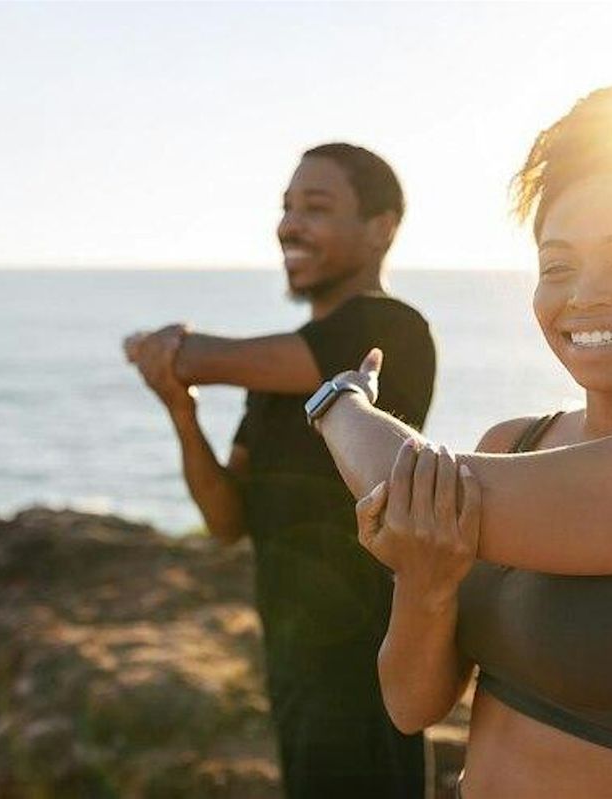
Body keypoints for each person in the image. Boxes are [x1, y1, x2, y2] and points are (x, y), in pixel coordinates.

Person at [306, 88, 612, 798]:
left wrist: (338, 399)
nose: (585, 294)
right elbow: (412, 705)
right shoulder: (515, 442)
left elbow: (402, 473)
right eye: (558, 266)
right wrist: (428, 580)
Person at [123, 143, 436, 799]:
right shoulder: (273, 378)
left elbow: (213, 356)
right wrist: (183, 415)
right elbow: (225, 520)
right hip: (292, 660)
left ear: (381, 228)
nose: (290, 225)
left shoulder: (389, 330)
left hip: (369, 664)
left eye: (315, 208)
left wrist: (168, 348)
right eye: (287, 208)